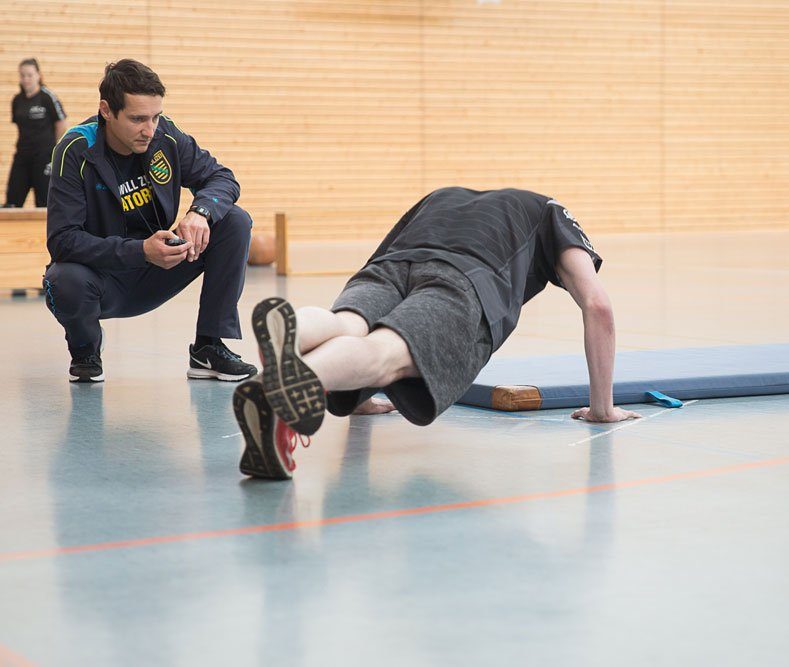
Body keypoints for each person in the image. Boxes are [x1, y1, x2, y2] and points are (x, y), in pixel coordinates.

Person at [233, 186, 641, 479]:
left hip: (389, 266)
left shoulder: (440, 196)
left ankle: (296, 330)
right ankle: (278, 388)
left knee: (348, 324)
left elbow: (380, 256)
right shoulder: (550, 211)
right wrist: (602, 410)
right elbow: (597, 305)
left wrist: (358, 397)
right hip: (465, 278)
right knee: (384, 353)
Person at [44, 59, 257, 383]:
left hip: (159, 268)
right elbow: (63, 240)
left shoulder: (165, 135)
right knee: (62, 279)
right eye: (137, 119)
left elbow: (222, 178)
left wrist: (200, 212)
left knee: (234, 221)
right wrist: (141, 250)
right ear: (106, 111)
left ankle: (208, 347)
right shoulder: (75, 150)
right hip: (102, 276)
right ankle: (85, 349)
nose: (150, 129)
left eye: (155, 116)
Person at [5, 58, 68, 207]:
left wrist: (52, 149)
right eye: (22, 75)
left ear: (38, 75)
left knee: (44, 203)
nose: (26, 79)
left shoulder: (47, 97)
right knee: (12, 202)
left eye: (29, 75)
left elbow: (62, 123)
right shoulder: (17, 101)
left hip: (43, 157)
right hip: (22, 156)